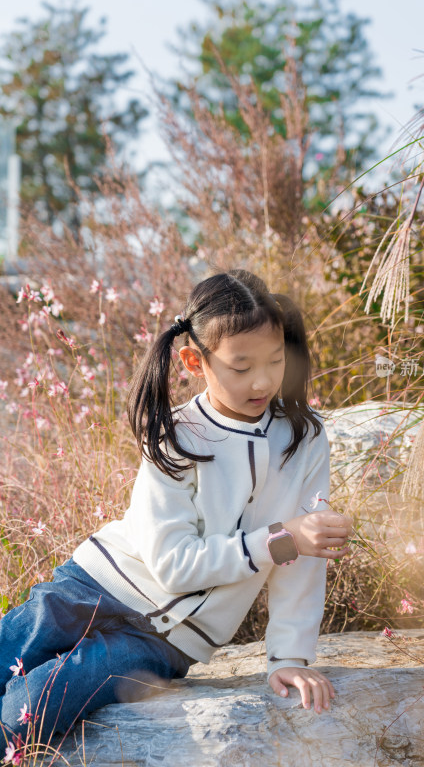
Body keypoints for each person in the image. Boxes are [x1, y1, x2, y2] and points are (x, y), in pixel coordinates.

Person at [0, 269, 351, 751]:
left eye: (275, 360)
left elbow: (303, 559)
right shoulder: (176, 434)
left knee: (31, 709)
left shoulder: (305, 440)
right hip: (95, 585)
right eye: (241, 366)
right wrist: (281, 537)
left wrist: (290, 659)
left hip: (165, 643)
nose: (264, 380)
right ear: (194, 361)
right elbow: (173, 565)